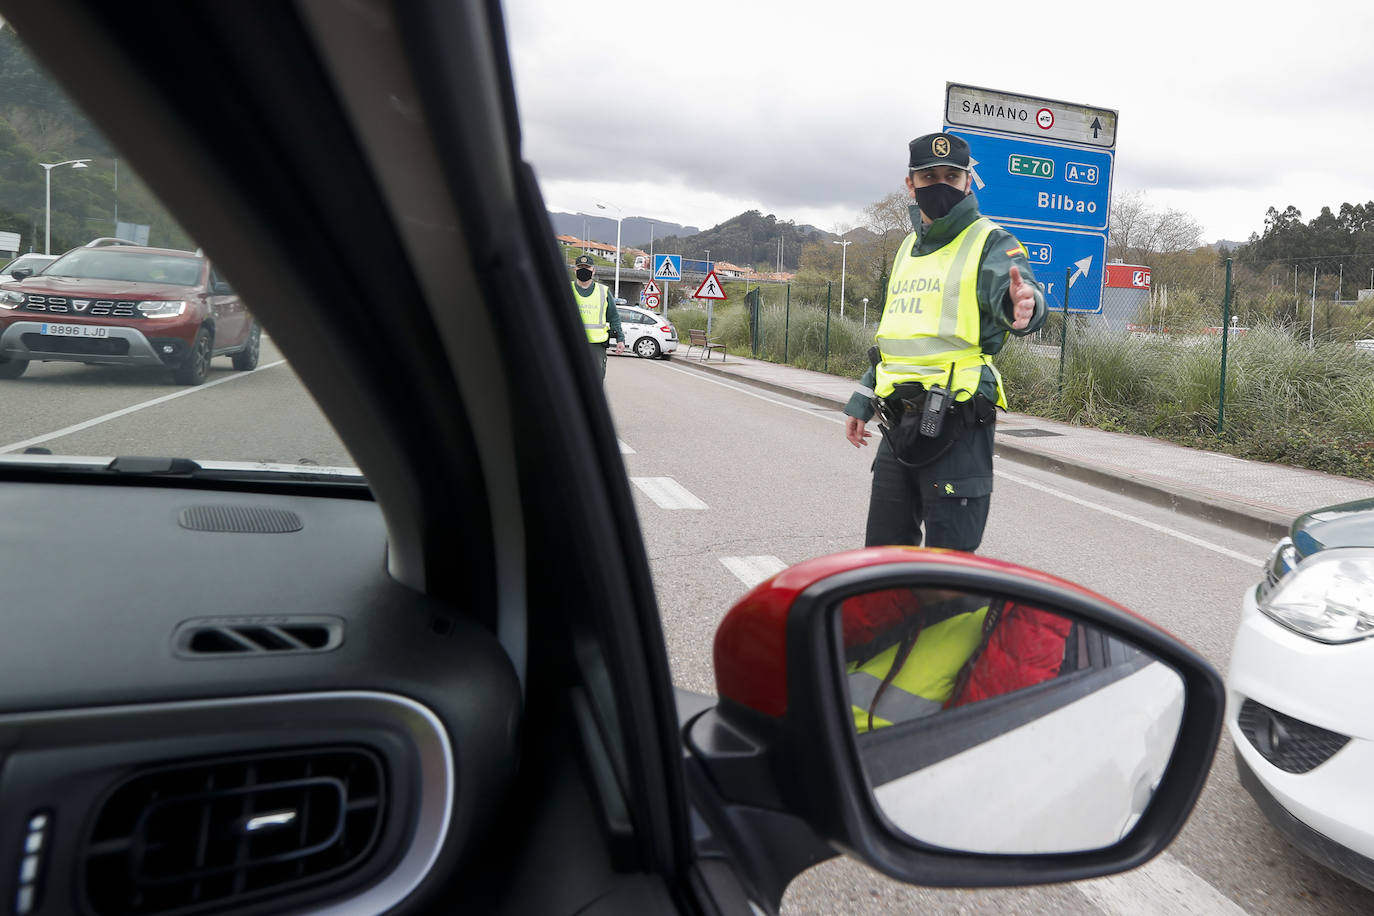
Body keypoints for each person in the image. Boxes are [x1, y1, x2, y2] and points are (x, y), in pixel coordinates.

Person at [843, 132, 1047, 552]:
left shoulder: (990, 241)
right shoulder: (905, 249)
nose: (940, 185)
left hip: (958, 420)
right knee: (882, 555)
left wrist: (1024, 306)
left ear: (968, 182)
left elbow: (1017, 292)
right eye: (929, 175)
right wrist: (861, 402)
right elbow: (895, 339)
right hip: (898, 421)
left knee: (949, 567)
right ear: (910, 183)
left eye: (951, 177)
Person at [571, 253, 624, 379]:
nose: (583, 270)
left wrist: (620, 339)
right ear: (575, 270)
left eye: (587, 267)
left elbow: (614, 318)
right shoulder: (566, 289)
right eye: (580, 267)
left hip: (596, 346)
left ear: (593, 270)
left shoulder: (603, 291)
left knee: (594, 381)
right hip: (571, 342)